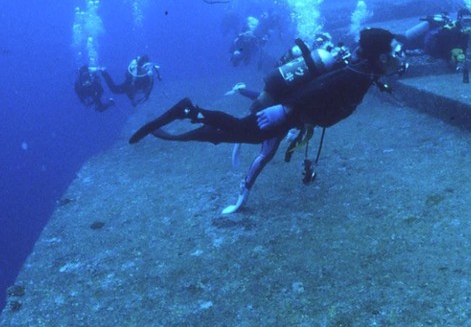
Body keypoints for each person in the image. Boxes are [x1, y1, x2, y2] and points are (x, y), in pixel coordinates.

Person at [129, 27, 407, 214]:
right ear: (379, 56)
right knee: (242, 132)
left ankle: (192, 115)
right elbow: (320, 89)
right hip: (288, 111)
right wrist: (285, 110)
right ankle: (189, 111)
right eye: (392, 52)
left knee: (240, 132)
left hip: (292, 113)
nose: (396, 57)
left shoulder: (362, 72)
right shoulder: (355, 74)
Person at [400, 8, 471, 72]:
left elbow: (463, 45)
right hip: (429, 44)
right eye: (465, 21)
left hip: (439, 47)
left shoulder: (465, 31)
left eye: (470, 21)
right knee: (408, 44)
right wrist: (451, 55)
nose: (468, 24)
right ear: (459, 20)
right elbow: (441, 45)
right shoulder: (449, 29)